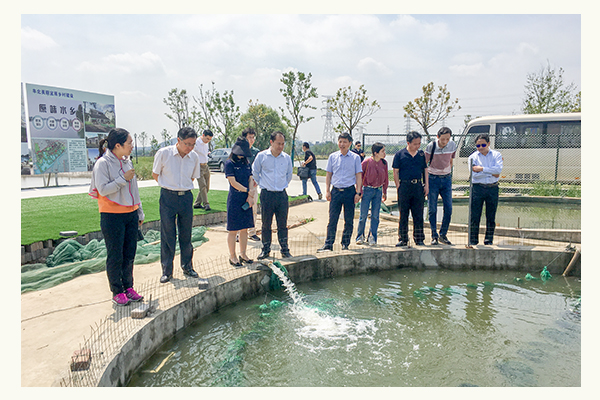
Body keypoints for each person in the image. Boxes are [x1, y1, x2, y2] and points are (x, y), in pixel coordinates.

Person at [89, 128, 145, 306]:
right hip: (112, 216)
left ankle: (129, 287)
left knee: (129, 254)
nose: (132, 146)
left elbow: (134, 189)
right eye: (129, 143)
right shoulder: (102, 164)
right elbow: (103, 189)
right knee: (115, 255)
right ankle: (117, 291)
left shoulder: (127, 162)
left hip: (130, 214)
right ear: (118, 145)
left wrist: (139, 211)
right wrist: (123, 178)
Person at [152, 127, 205, 286]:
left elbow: (193, 178)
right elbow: (155, 174)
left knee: (186, 234)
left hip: (186, 197)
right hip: (168, 197)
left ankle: (187, 266)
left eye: (193, 144)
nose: (190, 147)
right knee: (168, 234)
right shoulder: (164, 153)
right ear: (178, 140)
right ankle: (167, 271)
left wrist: (181, 187)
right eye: (187, 144)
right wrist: (170, 186)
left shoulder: (194, 157)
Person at [318, 132, 363, 252]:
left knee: (349, 220)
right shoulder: (333, 157)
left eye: (344, 142)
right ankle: (328, 244)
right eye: (340, 141)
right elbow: (329, 174)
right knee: (332, 219)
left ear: (350, 143)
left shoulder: (355, 158)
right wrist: (327, 191)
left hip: (349, 191)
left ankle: (345, 243)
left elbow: (358, 175)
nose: (342, 144)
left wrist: (358, 192)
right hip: (336, 191)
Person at [252, 131, 293, 259]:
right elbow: (255, 172)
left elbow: (289, 175)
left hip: (281, 195)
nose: (280, 146)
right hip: (267, 194)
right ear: (271, 142)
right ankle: (265, 249)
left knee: (282, 224)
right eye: (278, 143)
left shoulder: (286, 158)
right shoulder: (262, 156)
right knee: (266, 224)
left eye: (283, 144)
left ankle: (284, 249)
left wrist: (282, 185)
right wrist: (262, 184)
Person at [393, 131, 429, 247]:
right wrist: (398, 185)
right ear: (408, 143)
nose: (417, 146)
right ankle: (403, 238)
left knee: (418, 214)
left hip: (417, 186)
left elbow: (425, 170)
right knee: (403, 214)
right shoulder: (400, 154)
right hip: (404, 186)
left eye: (419, 143)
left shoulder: (421, 155)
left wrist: (426, 185)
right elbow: (395, 171)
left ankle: (419, 238)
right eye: (415, 144)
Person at [225, 137, 256, 267]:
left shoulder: (246, 163)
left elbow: (250, 178)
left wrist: (250, 194)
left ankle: (243, 254)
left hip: (246, 198)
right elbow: (232, 182)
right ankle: (232, 256)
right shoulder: (229, 163)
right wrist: (247, 190)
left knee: (245, 229)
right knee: (233, 230)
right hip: (235, 199)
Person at [468, 133, 503, 246]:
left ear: (488, 143)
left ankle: (488, 240)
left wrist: (481, 169)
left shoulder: (496, 155)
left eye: (483, 145)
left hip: (492, 188)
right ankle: (473, 240)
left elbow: (498, 171)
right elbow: (474, 175)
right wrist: (491, 171)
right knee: (474, 216)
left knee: (491, 216)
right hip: (477, 188)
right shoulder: (473, 157)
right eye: (478, 145)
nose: (480, 147)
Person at [425, 127, 457, 245]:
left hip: (446, 179)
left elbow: (451, 160)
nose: (445, 142)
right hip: (433, 178)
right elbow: (425, 163)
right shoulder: (431, 146)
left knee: (448, 208)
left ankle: (443, 234)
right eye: (443, 139)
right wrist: (426, 182)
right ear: (438, 137)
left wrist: (448, 172)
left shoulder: (452, 145)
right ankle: (434, 235)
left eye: (447, 139)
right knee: (432, 209)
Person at [356, 142, 388, 246]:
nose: (384, 153)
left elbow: (386, 178)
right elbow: (359, 177)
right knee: (363, 215)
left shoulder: (384, 163)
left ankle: (372, 236)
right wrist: (359, 191)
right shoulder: (366, 162)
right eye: (382, 151)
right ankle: (360, 236)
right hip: (367, 190)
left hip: (378, 191)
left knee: (375, 216)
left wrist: (384, 191)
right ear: (375, 153)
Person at [242, 127, 261, 242]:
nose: (252, 140)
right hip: (241, 182)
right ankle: (239, 233)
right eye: (249, 137)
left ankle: (252, 232)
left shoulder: (256, 152)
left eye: (253, 137)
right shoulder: (239, 150)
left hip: (253, 182)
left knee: (253, 208)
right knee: (241, 208)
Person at [193, 129, 213, 211]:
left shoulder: (206, 144)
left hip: (206, 166)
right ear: (203, 135)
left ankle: (197, 203)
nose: (208, 141)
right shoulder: (196, 143)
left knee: (207, 187)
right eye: (207, 138)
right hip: (198, 166)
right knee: (202, 186)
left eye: (210, 139)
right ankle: (206, 204)